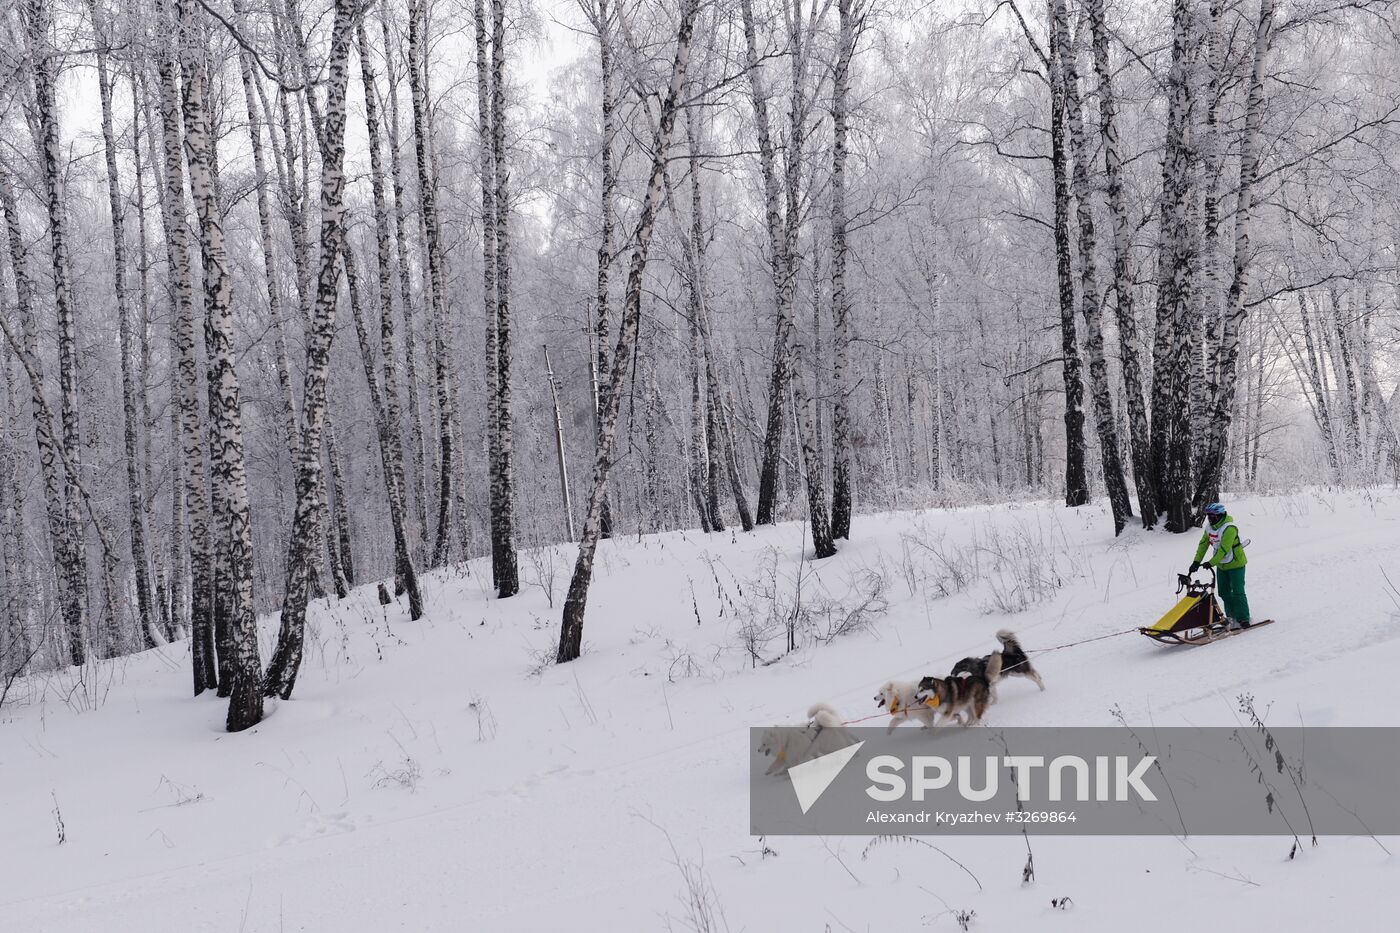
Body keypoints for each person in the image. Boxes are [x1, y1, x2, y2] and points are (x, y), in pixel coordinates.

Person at [1188, 502, 1250, 630]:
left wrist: (1211, 562)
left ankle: (1243, 618)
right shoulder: (1209, 528)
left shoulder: (1229, 528)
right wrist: (1196, 562)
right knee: (1224, 592)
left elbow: (1224, 550)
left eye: (1213, 516)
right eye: (1208, 516)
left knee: (1238, 592)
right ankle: (1231, 616)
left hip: (1236, 564)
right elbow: (1203, 544)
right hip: (1221, 565)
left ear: (1221, 515)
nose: (1210, 519)